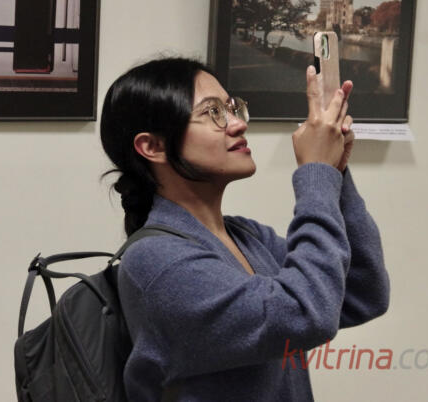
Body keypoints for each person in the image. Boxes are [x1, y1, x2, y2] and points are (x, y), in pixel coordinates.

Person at [100, 57, 390, 401]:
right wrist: (316, 173)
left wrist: (335, 173)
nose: (238, 124)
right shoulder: (156, 261)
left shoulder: (247, 237)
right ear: (153, 147)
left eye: (232, 108)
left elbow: (361, 292)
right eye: (213, 112)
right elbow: (305, 314)